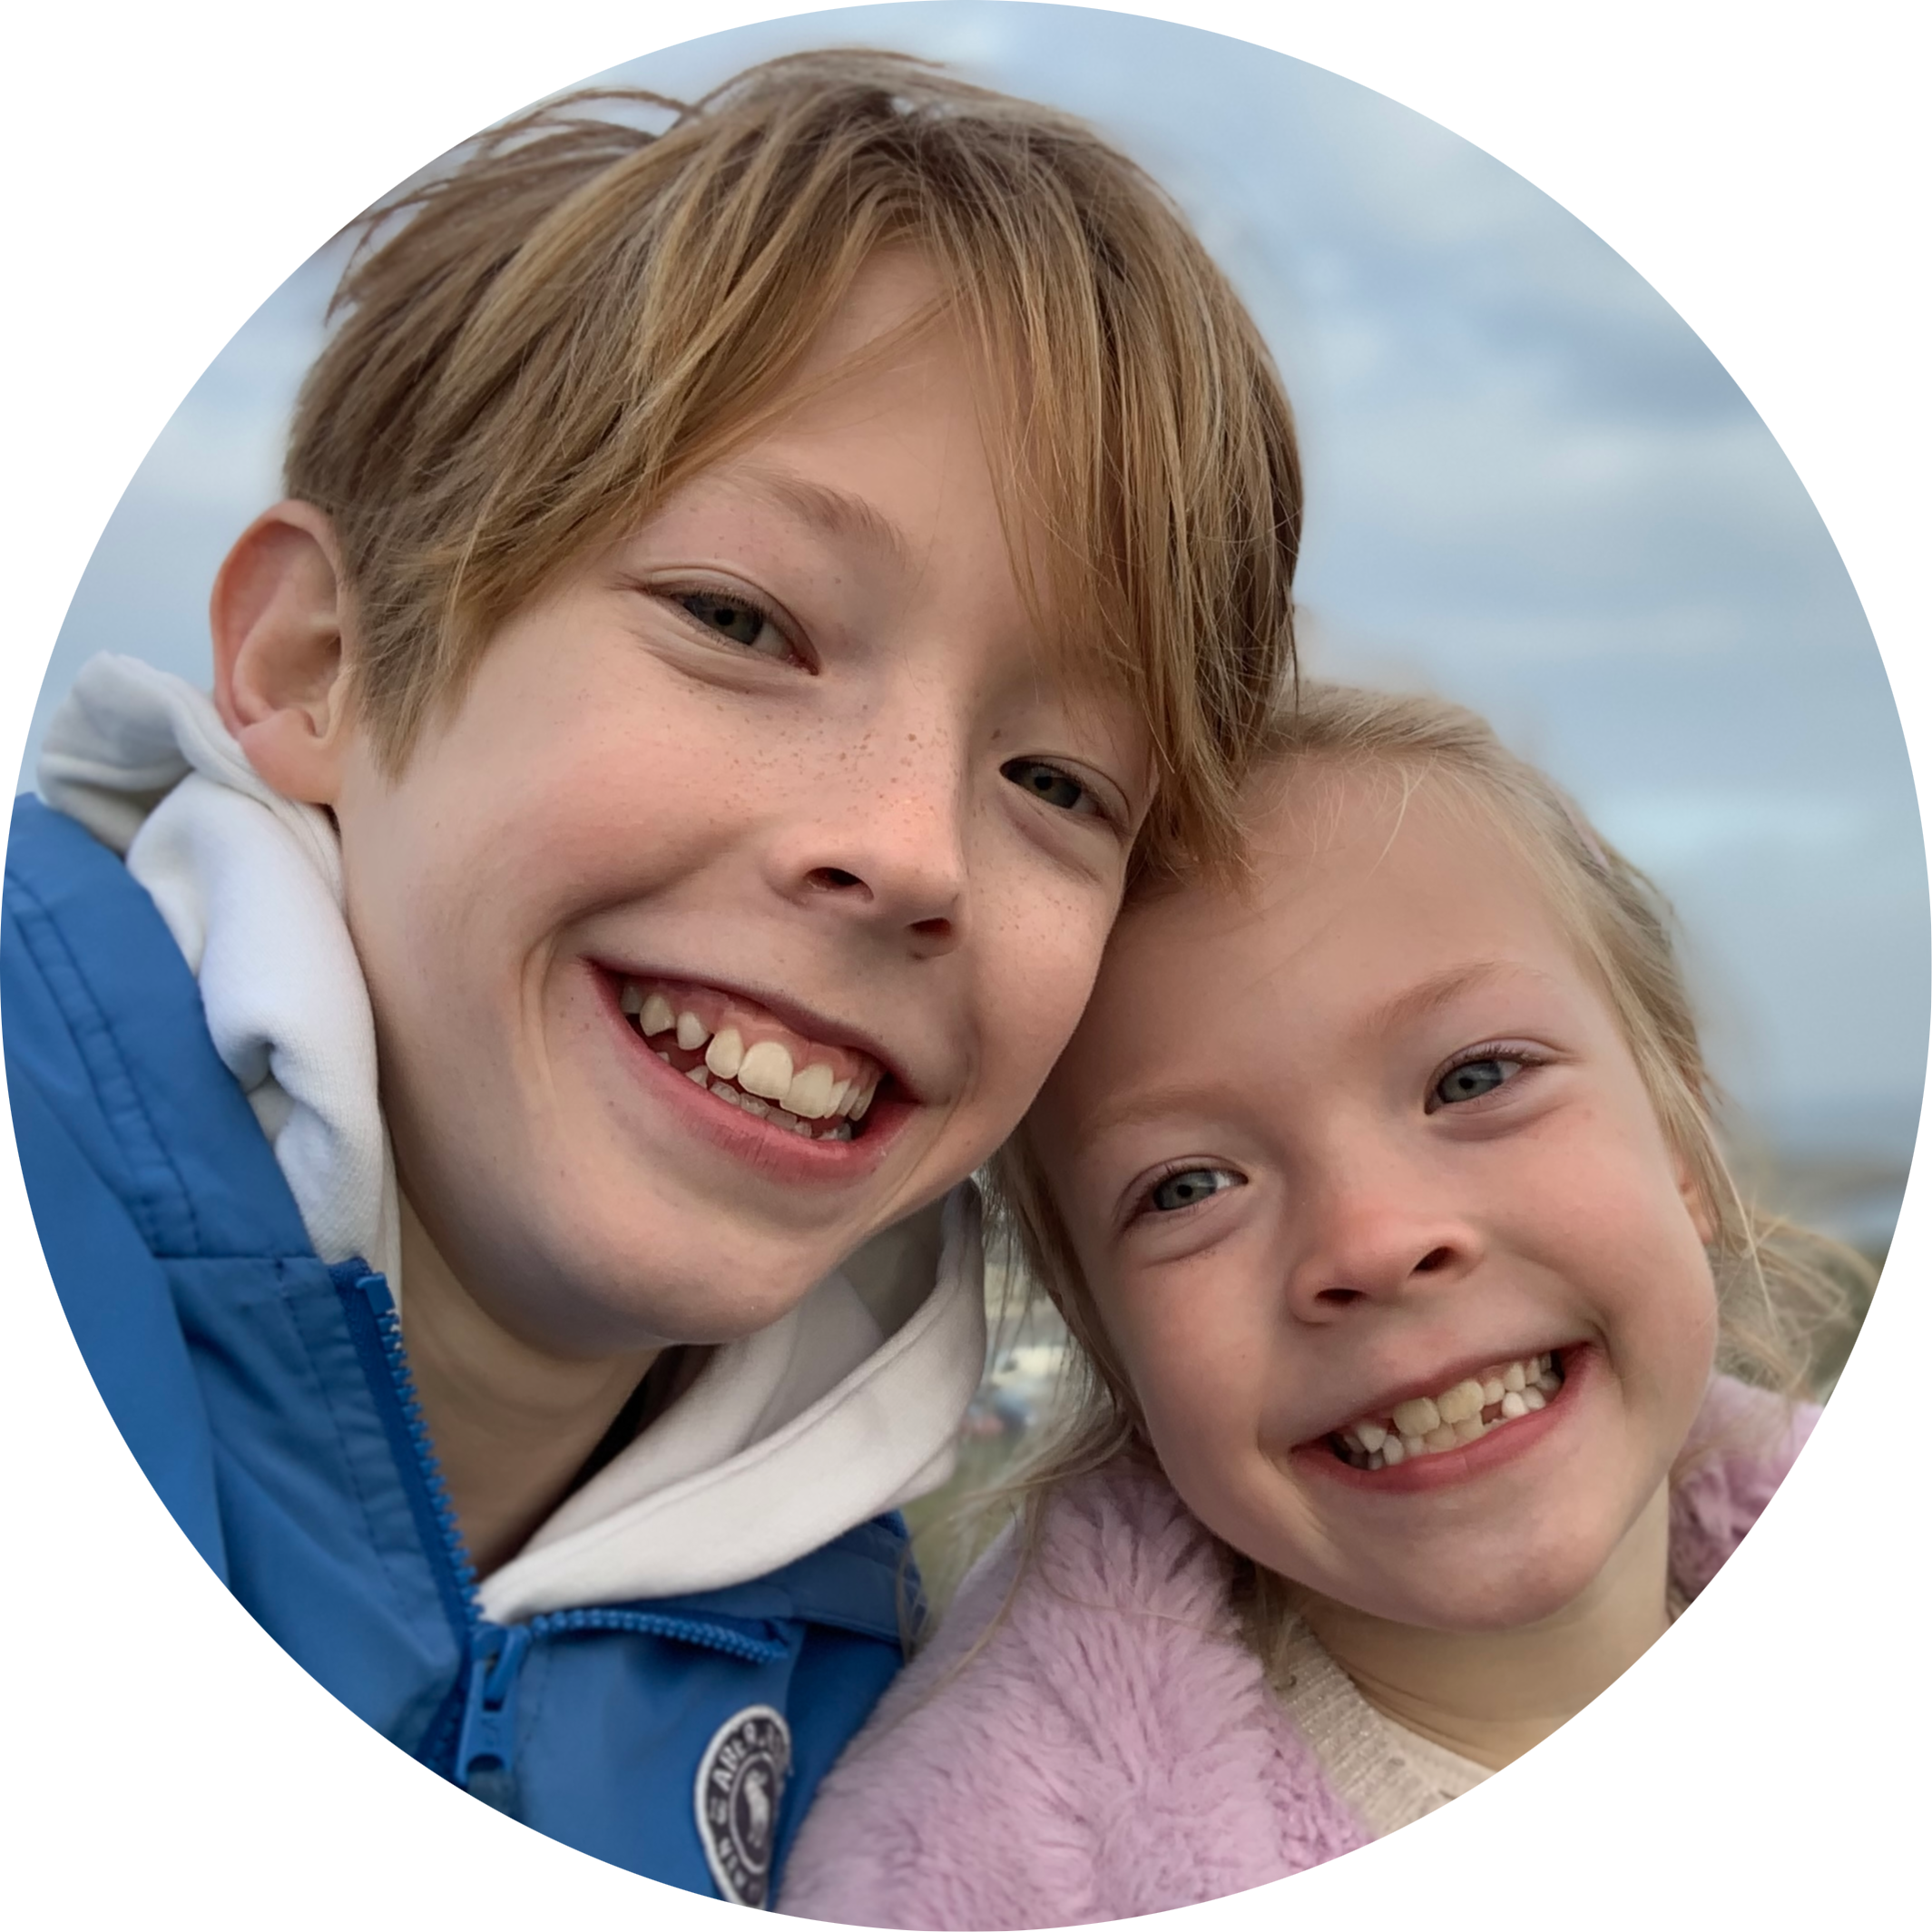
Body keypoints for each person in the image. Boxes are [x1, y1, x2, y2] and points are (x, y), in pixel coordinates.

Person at [2, 53, 1303, 1899]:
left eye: (1058, 782)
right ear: (316, 665)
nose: (913, 849)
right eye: (738, 621)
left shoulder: (867, 1698)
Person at [777, 680, 1861, 1926]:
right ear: (1105, 1342)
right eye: (1188, 1187)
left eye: (1476, 1078)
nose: (1374, 1243)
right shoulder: (988, 1883)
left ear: (1681, 1135)